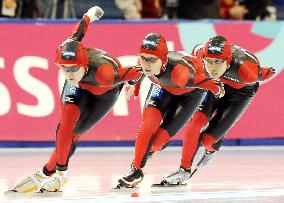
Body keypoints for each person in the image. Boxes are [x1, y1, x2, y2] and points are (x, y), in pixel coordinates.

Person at [11, 6, 143, 193]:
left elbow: (143, 69)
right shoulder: (67, 52)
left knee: (75, 132)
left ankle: (47, 170)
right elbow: (77, 32)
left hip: (104, 93)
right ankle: (60, 173)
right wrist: (89, 16)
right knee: (65, 125)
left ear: (83, 65)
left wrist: (133, 86)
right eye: (63, 69)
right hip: (80, 86)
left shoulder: (105, 74)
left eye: (72, 69)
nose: (68, 73)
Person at [154, 36, 275, 186]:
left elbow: (267, 73)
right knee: (195, 124)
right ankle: (184, 170)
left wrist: (268, 71)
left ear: (228, 61)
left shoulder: (247, 70)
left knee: (208, 141)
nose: (212, 67)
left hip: (240, 94)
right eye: (209, 61)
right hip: (214, 87)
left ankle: (212, 149)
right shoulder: (198, 54)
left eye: (218, 63)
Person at [116, 33, 225, 188]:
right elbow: (140, 66)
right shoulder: (145, 61)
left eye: (152, 60)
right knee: (148, 125)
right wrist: (136, 85)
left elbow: (206, 83)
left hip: (190, 94)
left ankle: (154, 150)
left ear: (163, 60)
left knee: (156, 142)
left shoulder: (181, 73)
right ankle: (136, 171)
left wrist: (217, 88)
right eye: (143, 58)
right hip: (162, 88)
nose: (146, 64)